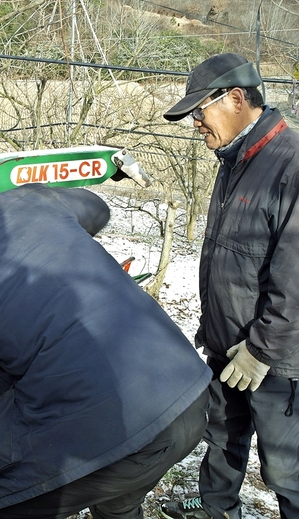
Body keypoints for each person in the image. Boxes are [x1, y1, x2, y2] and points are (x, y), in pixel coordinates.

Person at [0, 169, 212, 519]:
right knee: (119, 498)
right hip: (188, 397)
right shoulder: (31, 200)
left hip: (111, 427)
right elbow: (98, 209)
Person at [160, 53, 299, 519]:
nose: (196, 122)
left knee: (287, 470)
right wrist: (217, 331)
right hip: (227, 343)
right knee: (221, 437)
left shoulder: (290, 165)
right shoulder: (234, 159)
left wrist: (260, 350)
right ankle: (216, 510)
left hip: (277, 360)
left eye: (199, 111)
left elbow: (294, 279)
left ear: (236, 98)